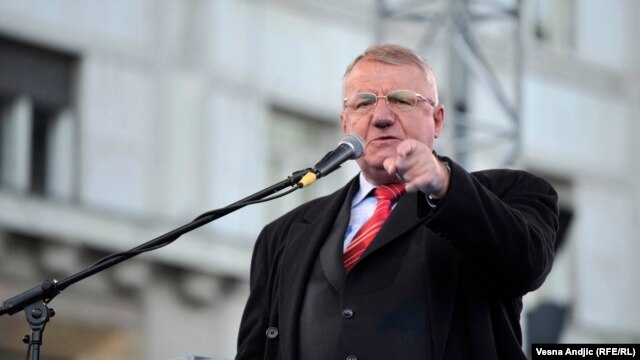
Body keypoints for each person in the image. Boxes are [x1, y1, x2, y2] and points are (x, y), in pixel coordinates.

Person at [236, 44, 559, 360]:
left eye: (401, 100)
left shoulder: (508, 191)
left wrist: (446, 186)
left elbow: (526, 266)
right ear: (345, 123)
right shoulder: (284, 234)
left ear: (436, 120)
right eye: (362, 103)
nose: (381, 117)